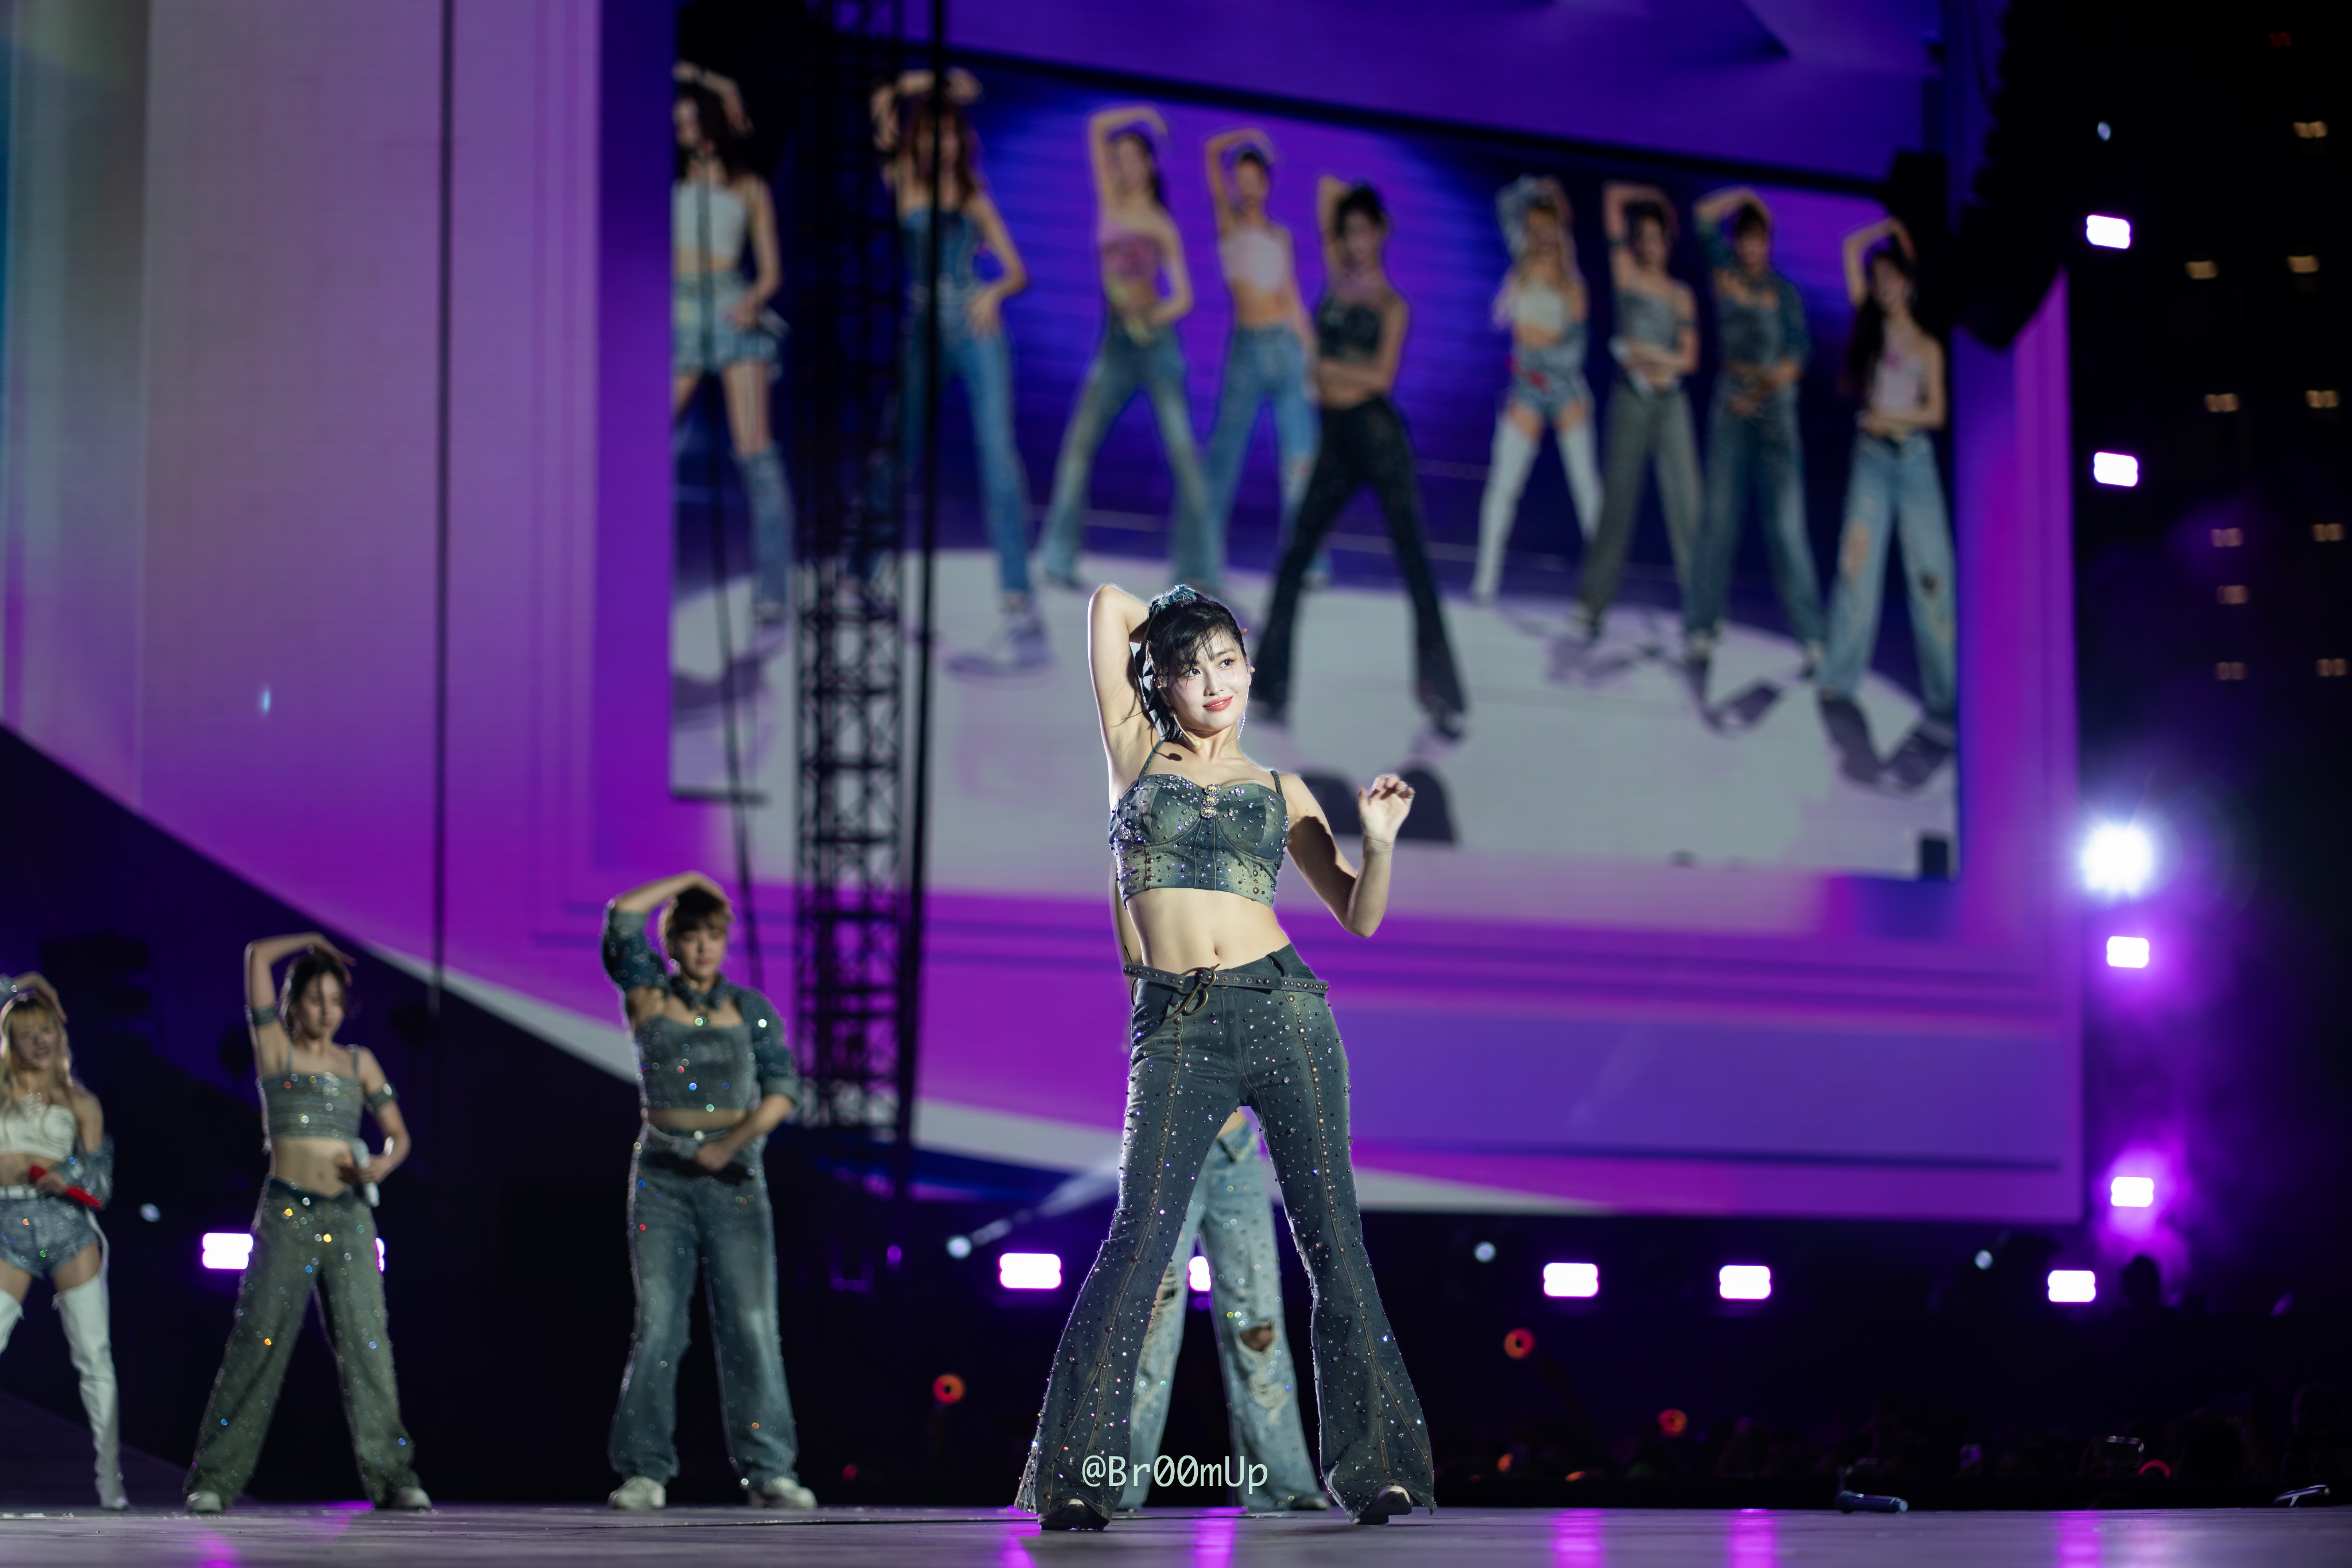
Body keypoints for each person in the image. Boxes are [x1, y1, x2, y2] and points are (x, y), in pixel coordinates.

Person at [1016, 583, 1436, 1531]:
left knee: (1334, 1240)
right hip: (1177, 1026)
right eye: (1190, 667)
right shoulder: (1134, 750)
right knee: (1137, 1242)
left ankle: (1376, 1469)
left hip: (1286, 1013)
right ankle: (1081, 1474)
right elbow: (1108, 604)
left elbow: (1359, 916)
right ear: (1158, 680)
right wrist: (1185, 620)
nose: (1213, 681)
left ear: (1250, 669)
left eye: (1227, 662)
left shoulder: (1283, 790)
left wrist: (1378, 844)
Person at [185, 936, 428, 1514]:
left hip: (349, 1216)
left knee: (368, 1346)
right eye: (316, 999)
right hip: (287, 1211)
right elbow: (255, 957)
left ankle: (394, 1476)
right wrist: (308, 943)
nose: (327, 1010)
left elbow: (399, 1136)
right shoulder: (276, 1050)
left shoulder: (359, 1061)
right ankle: (214, 1478)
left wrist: (382, 1164)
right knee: (258, 1340)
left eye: (336, 1001)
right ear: (293, 1004)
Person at [601, 873, 813, 1512]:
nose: (702, 947)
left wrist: (732, 1142)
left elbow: (783, 1089)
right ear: (672, 943)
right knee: (660, 1324)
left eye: (713, 936)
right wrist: (688, 882)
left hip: (734, 1179)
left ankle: (769, 1468)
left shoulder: (748, 1008)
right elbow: (622, 915)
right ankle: (644, 1470)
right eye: (690, 935)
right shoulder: (647, 997)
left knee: (752, 1322)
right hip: (663, 1177)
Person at [1252, 180, 1467, 737]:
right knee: (1295, 556)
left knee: (1413, 561)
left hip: (1377, 438)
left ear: (1381, 233)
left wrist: (1324, 366)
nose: (1354, 242)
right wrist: (1349, 206)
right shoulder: (1336, 281)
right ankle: (1270, 687)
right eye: (1347, 232)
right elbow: (1325, 189)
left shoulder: (1391, 305)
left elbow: (1380, 377)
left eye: (1364, 231)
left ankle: (1442, 695)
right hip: (1335, 440)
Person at [870, 68, 1041, 676]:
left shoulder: (973, 199)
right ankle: (861, 572)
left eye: (950, 135)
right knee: (897, 447)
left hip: (974, 326)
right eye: (931, 134)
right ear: (919, 139)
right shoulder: (903, 181)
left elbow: (1018, 271)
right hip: (922, 328)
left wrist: (992, 293)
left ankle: (1017, 591)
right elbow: (880, 102)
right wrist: (930, 80)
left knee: (997, 452)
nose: (941, 145)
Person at [1038, 106, 1216, 593]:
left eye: (1136, 158)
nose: (1126, 167)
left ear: (1151, 166)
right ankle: (1058, 558)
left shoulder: (1160, 223)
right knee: (1078, 448)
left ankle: (1198, 565)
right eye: (1120, 159)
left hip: (1155, 345)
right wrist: (1144, 115)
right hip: (1114, 342)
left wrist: (1150, 317)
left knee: (1183, 453)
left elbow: (1184, 297)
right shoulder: (1108, 202)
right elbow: (1095, 127)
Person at [1819, 217, 1955, 787]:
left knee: (1932, 580)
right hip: (1872, 459)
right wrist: (1888, 225)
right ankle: (1837, 681)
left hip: (1913, 459)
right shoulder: (1870, 328)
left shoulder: (1925, 344)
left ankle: (1945, 699)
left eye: (1892, 276)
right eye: (1877, 280)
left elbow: (1936, 413)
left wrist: (1888, 415)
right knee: (1857, 568)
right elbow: (1849, 248)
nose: (1883, 287)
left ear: (1908, 280)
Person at [1684, 187, 1824, 667]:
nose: (1751, 248)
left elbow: (1796, 359)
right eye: (1744, 239)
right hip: (1731, 407)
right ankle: (1701, 626)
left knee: (1787, 529)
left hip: (1774, 413)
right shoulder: (1725, 273)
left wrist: (1759, 393)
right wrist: (1745, 194)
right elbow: (1701, 217)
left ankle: (1812, 637)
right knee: (1718, 520)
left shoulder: (1783, 293)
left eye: (1759, 239)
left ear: (1769, 242)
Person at [0, 974, 123, 1509]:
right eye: (27, 1032)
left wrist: (65, 1173)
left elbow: (102, 1185)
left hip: (69, 1227)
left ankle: (111, 1481)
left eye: (47, 1029)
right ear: (11, 1038)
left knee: (94, 1355)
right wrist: (19, 986)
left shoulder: (81, 1102)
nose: (40, 1041)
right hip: (8, 1225)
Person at [674, 62, 791, 625]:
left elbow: (771, 271)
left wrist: (752, 301)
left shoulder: (748, 186)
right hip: (678, 308)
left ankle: (773, 588)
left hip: (728, 304)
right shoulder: (672, 181)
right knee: (647, 438)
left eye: (693, 124)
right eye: (679, 126)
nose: (685, 134)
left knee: (755, 452)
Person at [1572, 183, 1701, 642]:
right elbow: (1611, 197)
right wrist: (1657, 196)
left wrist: (1644, 352)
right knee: (1617, 504)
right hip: (1631, 399)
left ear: (1669, 240)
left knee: (1687, 505)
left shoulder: (1681, 295)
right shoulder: (1626, 273)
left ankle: (1700, 614)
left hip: (1671, 403)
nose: (1649, 246)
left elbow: (1688, 359)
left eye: (1657, 237)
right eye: (1642, 237)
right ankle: (1591, 604)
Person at [1198, 129, 1324, 592]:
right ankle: (1204, 558)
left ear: (1268, 185)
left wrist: (1312, 352)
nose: (1249, 187)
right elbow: (1211, 151)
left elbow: (1291, 296)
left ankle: (1309, 561)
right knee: (1224, 454)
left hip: (1284, 346)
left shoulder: (1281, 236)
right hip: (1247, 348)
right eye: (1242, 179)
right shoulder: (1228, 226)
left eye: (1257, 180)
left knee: (1300, 460)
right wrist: (1250, 136)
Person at [1471, 176, 1602, 605]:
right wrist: (1537, 185)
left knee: (1586, 485)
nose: (1544, 237)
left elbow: (1574, 351)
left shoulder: (1572, 282)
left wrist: (1536, 339)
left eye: (1551, 228)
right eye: (1537, 229)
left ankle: (1602, 579)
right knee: (1503, 483)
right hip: (1526, 387)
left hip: (1563, 388)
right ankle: (1485, 579)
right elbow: (1504, 203)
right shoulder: (1520, 271)